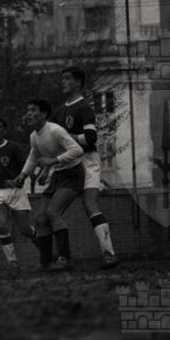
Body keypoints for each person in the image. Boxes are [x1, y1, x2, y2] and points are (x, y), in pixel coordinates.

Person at [52, 67, 119, 269]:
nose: (63, 81)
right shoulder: (58, 112)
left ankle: (109, 253)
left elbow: (90, 138)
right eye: (62, 78)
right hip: (67, 164)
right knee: (53, 211)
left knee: (90, 205)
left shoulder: (84, 108)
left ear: (78, 82)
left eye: (67, 78)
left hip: (86, 161)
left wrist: (67, 138)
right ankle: (62, 258)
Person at [12, 99, 84, 272]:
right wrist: (23, 175)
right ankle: (46, 263)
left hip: (73, 174)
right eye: (27, 110)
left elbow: (78, 150)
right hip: (57, 176)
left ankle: (65, 259)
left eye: (33, 110)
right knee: (40, 219)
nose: (28, 114)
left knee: (53, 212)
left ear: (44, 114)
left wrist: (53, 161)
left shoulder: (55, 130)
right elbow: (33, 156)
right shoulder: (34, 136)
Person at [0, 117, 36, 270]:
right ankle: (12, 262)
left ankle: (41, 241)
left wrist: (18, 180)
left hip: (16, 192)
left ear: (4, 130)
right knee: (2, 226)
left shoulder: (13, 147)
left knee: (25, 230)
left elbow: (25, 169)